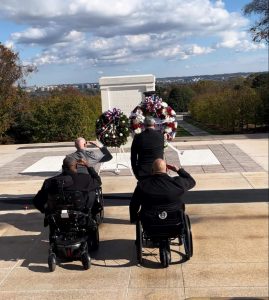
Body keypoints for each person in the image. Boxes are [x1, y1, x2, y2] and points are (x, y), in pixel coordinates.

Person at [129, 158, 196, 224]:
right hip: (174, 219)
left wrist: (134, 218)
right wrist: (179, 170)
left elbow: (134, 204)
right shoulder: (178, 183)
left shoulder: (142, 185)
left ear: (152, 171)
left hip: (150, 222)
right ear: (166, 169)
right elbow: (192, 181)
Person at [33, 156, 102, 214]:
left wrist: (46, 212)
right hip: (80, 212)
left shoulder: (49, 182)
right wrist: (88, 166)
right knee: (93, 191)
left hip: (57, 215)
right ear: (76, 166)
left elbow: (37, 201)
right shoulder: (85, 179)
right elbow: (98, 181)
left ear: (63, 167)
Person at [131, 116, 164, 180]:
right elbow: (161, 153)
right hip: (158, 170)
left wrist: (135, 172)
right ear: (154, 124)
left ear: (143, 125)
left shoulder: (138, 137)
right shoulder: (161, 136)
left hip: (143, 172)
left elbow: (133, 157)